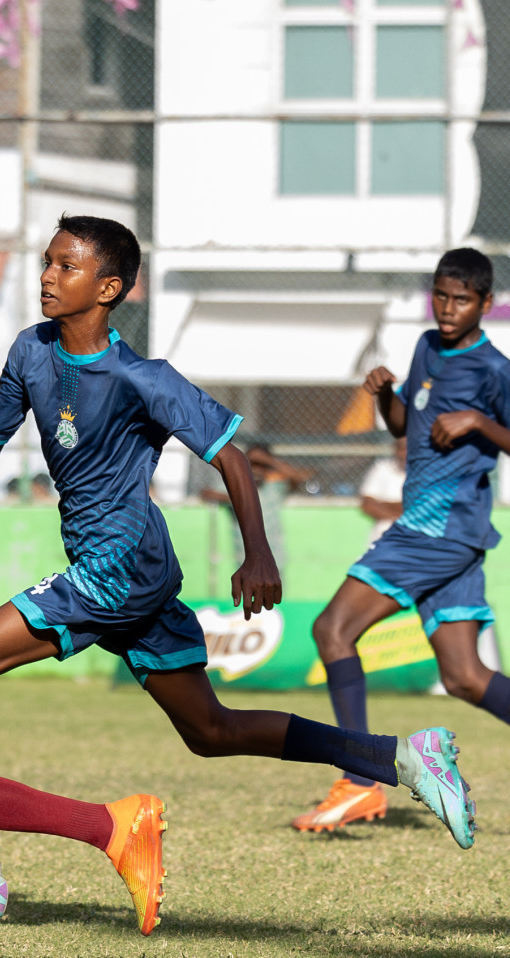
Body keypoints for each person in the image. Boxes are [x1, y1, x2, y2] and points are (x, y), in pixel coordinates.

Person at [0, 216, 475, 931]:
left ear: (109, 289)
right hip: (136, 574)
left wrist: (258, 550)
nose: (45, 276)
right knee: (211, 730)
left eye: (66, 267)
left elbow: (229, 454)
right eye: (46, 262)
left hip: (117, 572)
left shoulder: (143, 379)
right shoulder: (30, 351)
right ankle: (405, 757)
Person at [293, 248, 510, 834]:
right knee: (466, 677)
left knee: (331, 630)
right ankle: (361, 781)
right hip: (450, 536)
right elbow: (404, 426)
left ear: (485, 305)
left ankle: (360, 781)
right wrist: (386, 394)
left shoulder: (494, 370)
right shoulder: (426, 346)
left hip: (436, 530)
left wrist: (481, 424)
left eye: (461, 299)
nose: (447, 308)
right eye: (440, 295)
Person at [201, 441, 312, 571]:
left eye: (262, 465)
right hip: (246, 561)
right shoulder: (235, 488)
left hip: (275, 559)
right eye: (252, 464)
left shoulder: (274, 488)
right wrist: (237, 497)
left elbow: (300, 477)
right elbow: (206, 493)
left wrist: (268, 460)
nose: (257, 470)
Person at [358, 434, 408, 544]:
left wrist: (383, 504)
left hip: (413, 544)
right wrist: (402, 517)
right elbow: (368, 505)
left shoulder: (428, 473)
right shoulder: (382, 468)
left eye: (409, 449)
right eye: (401, 448)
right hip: (381, 540)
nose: (405, 454)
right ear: (395, 449)